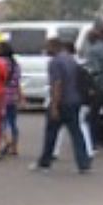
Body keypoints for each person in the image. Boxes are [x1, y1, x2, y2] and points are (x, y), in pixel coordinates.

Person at [32, 37, 93, 173]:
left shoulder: (55, 62)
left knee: (51, 133)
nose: (45, 50)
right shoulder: (71, 60)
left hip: (62, 101)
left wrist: (54, 105)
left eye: (47, 47)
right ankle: (83, 163)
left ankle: (45, 162)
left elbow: (57, 84)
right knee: (76, 132)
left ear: (54, 47)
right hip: (75, 99)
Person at [88, 27, 103, 139]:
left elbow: (96, 71)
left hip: (100, 88)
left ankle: (93, 141)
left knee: (93, 116)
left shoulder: (93, 50)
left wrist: (92, 88)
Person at [0, 42, 22, 157]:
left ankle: (6, 141)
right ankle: (15, 147)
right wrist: (21, 96)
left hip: (2, 96)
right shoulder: (16, 64)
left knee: (1, 122)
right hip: (13, 96)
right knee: (13, 122)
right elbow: (18, 82)